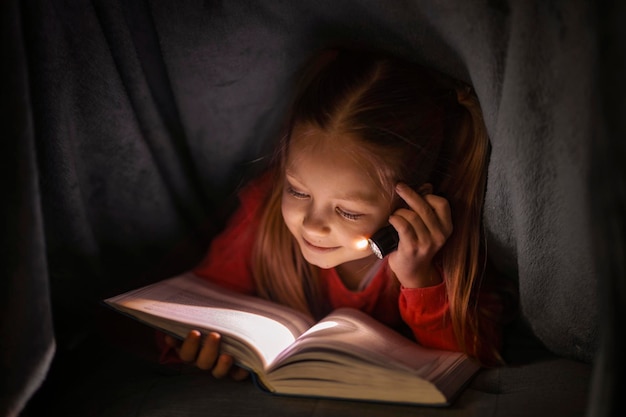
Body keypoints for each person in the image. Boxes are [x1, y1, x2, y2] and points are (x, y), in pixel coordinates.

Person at [161, 49, 504, 380]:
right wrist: (197, 345)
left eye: (348, 211)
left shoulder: (440, 255)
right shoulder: (263, 215)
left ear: (415, 207)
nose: (311, 223)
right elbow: (195, 303)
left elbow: (471, 359)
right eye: (296, 190)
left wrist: (420, 280)